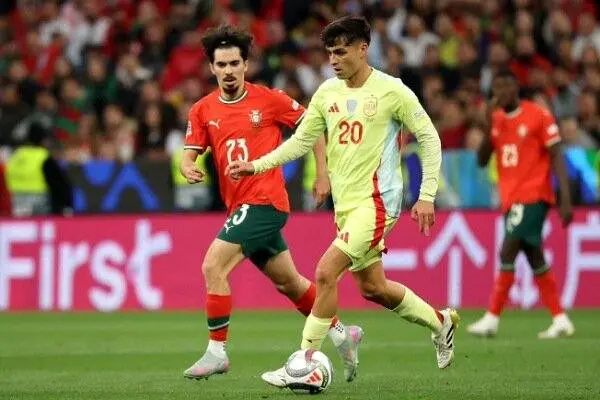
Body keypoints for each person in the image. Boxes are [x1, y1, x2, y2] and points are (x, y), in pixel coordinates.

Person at [226, 16, 459, 388]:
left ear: (363, 49)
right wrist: (256, 165)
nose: (333, 60)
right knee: (374, 288)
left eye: (341, 52)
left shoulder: (392, 91)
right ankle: (440, 322)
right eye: (330, 53)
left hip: (379, 202)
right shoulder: (327, 93)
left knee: (324, 272)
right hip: (346, 206)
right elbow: (301, 141)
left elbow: (430, 137)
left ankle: (302, 362)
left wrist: (427, 195)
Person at [179, 25, 363, 382]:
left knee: (213, 266)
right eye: (221, 64)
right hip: (240, 207)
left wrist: (322, 174)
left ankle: (217, 352)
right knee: (290, 284)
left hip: (265, 202)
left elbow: (314, 127)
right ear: (212, 68)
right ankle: (344, 334)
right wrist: (188, 167)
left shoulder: (270, 99)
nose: (228, 70)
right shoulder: (202, 110)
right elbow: (190, 154)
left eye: (235, 63)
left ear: (246, 65)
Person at [468, 69, 575, 339]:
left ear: (516, 88)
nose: (501, 92)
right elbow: (481, 160)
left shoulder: (538, 115)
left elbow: (557, 155)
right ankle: (560, 318)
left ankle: (492, 318)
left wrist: (565, 198)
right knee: (534, 255)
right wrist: (488, 124)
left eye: (506, 86)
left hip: (534, 195)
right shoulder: (497, 120)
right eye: (497, 88)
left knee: (507, 251)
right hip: (511, 199)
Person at [4, 122, 73, 217]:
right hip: (40, 202)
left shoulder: (16, 155)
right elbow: (59, 184)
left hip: (15, 201)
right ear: (43, 140)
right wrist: (66, 204)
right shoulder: (43, 157)